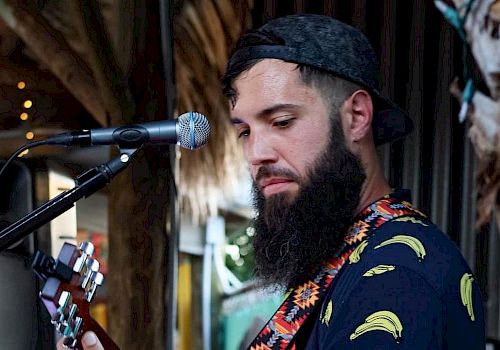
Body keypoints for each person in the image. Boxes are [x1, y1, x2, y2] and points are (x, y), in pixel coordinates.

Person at [58, 13, 485, 350]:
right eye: (244, 131)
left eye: (281, 121)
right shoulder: (346, 255)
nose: (255, 153)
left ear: (356, 117)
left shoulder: (397, 277)